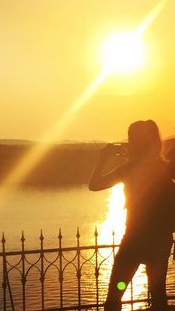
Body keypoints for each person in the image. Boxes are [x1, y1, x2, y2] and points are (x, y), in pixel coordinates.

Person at [89, 120, 174, 311]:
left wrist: (103, 159)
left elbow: (94, 185)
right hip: (160, 241)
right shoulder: (165, 168)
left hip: (134, 240)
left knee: (114, 298)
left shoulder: (129, 170)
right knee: (158, 296)